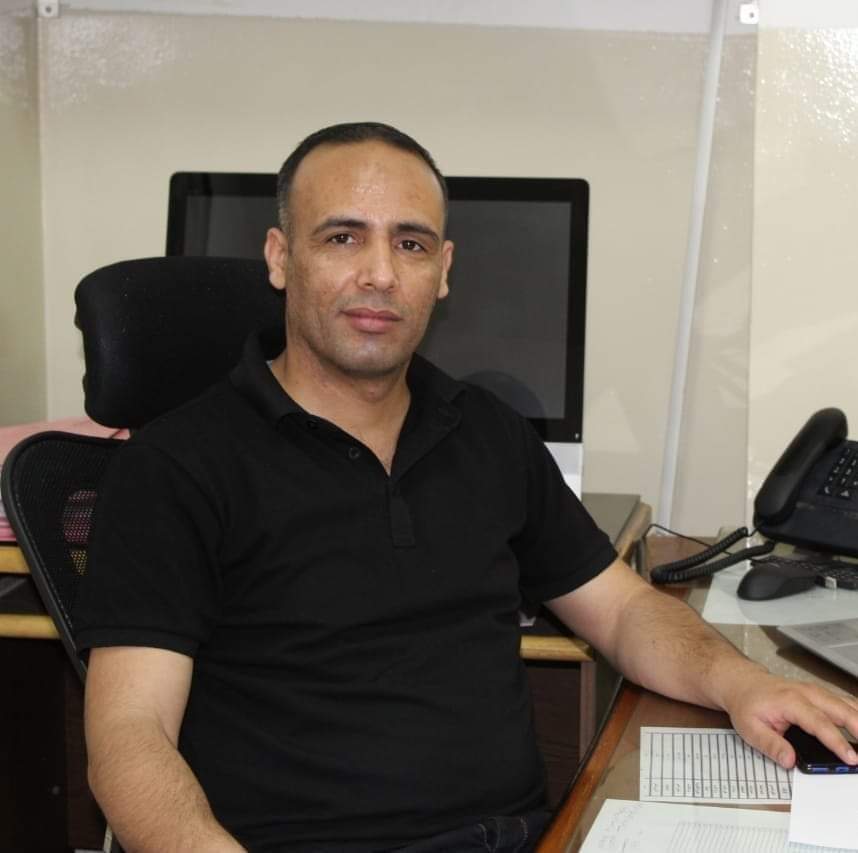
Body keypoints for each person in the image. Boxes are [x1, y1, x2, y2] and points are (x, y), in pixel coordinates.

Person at [75, 122, 858, 853]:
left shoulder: (486, 432)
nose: (380, 273)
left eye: (410, 243)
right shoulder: (177, 465)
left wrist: (743, 683)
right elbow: (129, 736)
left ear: (443, 271)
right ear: (280, 258)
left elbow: (621, 610)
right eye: (343, 237)